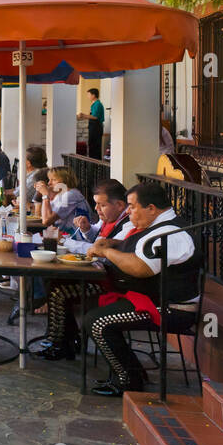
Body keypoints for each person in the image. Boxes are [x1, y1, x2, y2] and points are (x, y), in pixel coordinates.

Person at [81, 182, 202, 395]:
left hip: (172, 309)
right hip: (151, 299)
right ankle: (132, 371)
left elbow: (141, 267)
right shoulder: (156, 227)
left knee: (98, 321)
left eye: (132, 206)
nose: (128, 212)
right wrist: (112, 244)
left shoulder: (171, 234)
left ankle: (129, 380)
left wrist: (108, 253)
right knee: (90, 308)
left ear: (152, 208)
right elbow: (135, 249)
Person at [37, 180, 130, 361]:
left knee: (59, 291)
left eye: (102, 205)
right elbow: (95, 237)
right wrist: (86, 229)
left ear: (120, 205)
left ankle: (62, 343)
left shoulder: (127, 226)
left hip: (113, 283)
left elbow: (99, 251)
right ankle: (64, 340)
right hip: (98, 274)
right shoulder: (109, 220)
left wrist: (65, 241)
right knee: (53, 280)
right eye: (95, 203)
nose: (96, 209)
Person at [37, 166, 92, 235]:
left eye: (53, 180)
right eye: (49, 180)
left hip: (78, 239)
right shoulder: (61, 195)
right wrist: (45, 194)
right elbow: (39, 214)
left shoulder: (71, 195)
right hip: (66, 237)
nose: (49, 183)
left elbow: (46, 221)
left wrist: (45, 195)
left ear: (65, 180)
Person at [79, 87, 105, 158]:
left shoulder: (97, 104)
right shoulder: (94, 104)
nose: (88, 97)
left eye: (89, 95)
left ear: (93, 95)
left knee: (95, 146)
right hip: (93, 126)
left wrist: (83, 115)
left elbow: (95, 117)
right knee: (92, 145)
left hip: (96, 127)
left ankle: (95, 164)